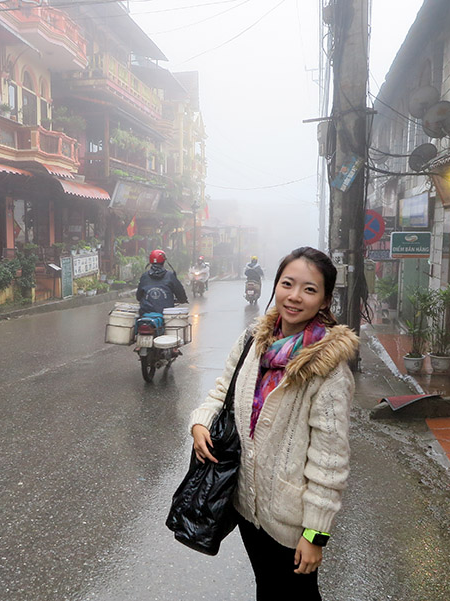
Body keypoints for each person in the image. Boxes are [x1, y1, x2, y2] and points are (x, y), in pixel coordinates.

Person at [189, 246, 357, 600]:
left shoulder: (328, 369)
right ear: (275, 285)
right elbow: (223, 388)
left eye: (309, 289)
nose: (295, 297)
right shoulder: (255, 340)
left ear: (325, 300)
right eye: (287, 284)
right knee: (267, 588)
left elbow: (329, 461)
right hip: (248, 507)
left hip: (289, 521)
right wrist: (201, 422)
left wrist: (315, 535)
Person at [136, 249, 188, 315]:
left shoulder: (144, 276)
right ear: (164, 261)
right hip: (166, 314)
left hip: (146, 313)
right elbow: (180, 292)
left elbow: (138, 297)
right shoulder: (170, 276)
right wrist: (183, 299)